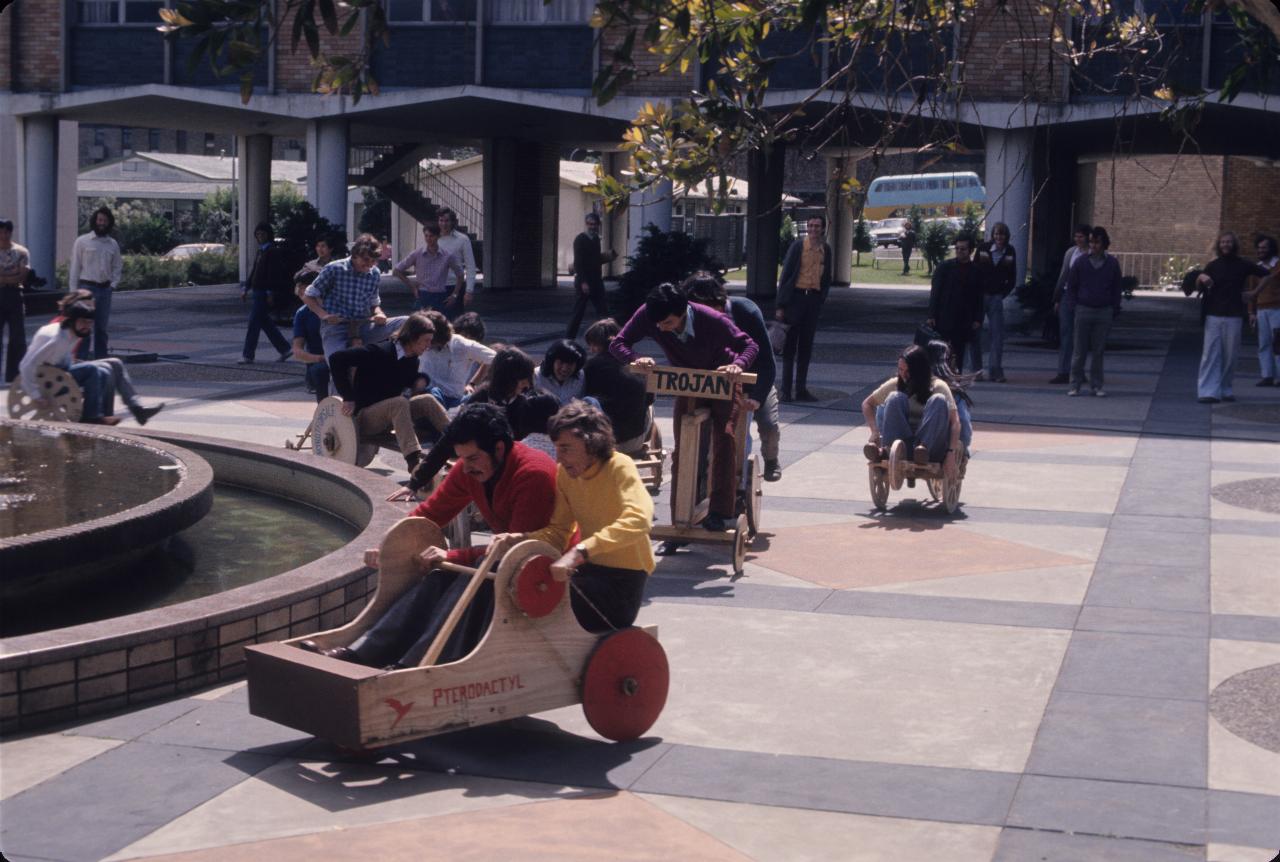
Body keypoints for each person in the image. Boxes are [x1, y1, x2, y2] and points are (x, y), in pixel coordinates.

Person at [310, 404, 559, 669]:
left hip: (543, 566)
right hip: (506, 556)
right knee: (439, 574)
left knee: (473, 574)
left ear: (499, 448)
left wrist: (452, 555)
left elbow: (517, 549)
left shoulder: (533, 475)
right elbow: (429, 513)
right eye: (461, 458)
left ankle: (412, 666)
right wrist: (389, 546)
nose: (465, 468)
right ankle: (362, 653)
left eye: (472, 459)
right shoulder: (471, 468)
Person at [493, 401, 655, 633]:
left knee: (544, 603)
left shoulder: (620, 466)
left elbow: (640, 519)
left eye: (565, 448)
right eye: (557, 449)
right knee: (517, 591)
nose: (558, 459)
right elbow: (559, 532)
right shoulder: (566, 475)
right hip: (590, 570)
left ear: (592, 442)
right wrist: (518, 539)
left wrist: (580, 552)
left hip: (624, 581)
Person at [611, 283, 758, 532]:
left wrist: (738, 365)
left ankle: (720, 513)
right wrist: (636, 359)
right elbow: (618, 343)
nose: (661, 328)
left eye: (667, 323)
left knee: (724, 438)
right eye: (657, 324)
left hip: (720, 379)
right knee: (684, 445)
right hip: (688, 382)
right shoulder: (650, 313)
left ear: (683, 312)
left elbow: (750, 345)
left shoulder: (710, 318)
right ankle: (681, 515)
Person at [682, 272, 783, 482]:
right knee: (719, 432)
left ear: (717, 302)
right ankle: (707, 476)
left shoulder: (746, 311)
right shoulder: (692, 319)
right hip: (721, 383)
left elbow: (766, 360)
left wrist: (757, 396)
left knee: (768, 423)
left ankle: (771, 459)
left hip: (754, 378)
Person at [405, 345, 538, 493]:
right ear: (509, 377)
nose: (527, 384)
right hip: (480, 469)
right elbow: (448, 440)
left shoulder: (524, 402)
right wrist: (415, 482)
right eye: (523, 378)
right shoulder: (482, 399)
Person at [326, 313, 443, 472]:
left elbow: (405, 379)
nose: (428, 346)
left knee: (427, 400)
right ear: (412, 337)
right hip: (365, 417)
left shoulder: (411, 359)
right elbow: (336, 359)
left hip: (389, 414)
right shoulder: (379, 351)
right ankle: (413, 461)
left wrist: (421, 379)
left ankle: (458, 441)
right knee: (399, 402)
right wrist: (348, 396)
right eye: (426, 341)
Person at [19, 300, 163, 426]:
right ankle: (91, 417)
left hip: (62, 371)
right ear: (72, 320)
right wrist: (36, 395)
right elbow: (25, 365)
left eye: (90, 323)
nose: (87, 326)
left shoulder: (72, 332)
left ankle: (127, 412)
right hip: (48, 381)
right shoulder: (54, 338)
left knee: (112, 364)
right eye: (83, 322)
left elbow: (62, 359)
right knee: (94, 370)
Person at [1194, 232, 1275, 403]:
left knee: (1230, 355)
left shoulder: (1243, 264)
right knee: (1210, 354)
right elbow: (1197, 285)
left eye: (1229, 242)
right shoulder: (1212, 265)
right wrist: (1201, 276)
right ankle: (1207, 391)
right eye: (1223, 242)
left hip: (1234, 315)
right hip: (1213, 314)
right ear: (1219, 245)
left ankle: (1225, 389)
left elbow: (1267, 274)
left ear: (1234, 244)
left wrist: (1254, 293)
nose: (1225, 245)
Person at [860, 344, 961, 481]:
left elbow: (955, 423)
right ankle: (887, 450)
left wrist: (951, 453)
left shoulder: (938, 386)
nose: (903, 374)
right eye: (901, 369)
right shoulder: (896, 383)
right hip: (903, 446)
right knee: (895, 397)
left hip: (929, 448)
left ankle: (922, 449)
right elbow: (867, 404)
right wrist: (874, 431)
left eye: (908, 371)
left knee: (938, 400)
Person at [303, 234, 400, 361]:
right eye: (365, 260)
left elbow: (374, 303)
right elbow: (308, 296)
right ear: (355, 255)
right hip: (337, 326)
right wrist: (324, 315)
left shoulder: (374, 273)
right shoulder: (334, 269)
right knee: (337, 363)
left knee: (408, 322)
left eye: (373, 261)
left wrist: (379, 314)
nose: (369, 265)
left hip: (364, 325)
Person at [775, 214, 833, 402]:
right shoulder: (798, 247)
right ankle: (785, 390)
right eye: (811, 225)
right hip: (795, 300)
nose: (814, 229)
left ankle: (801, 389)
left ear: (822, 229)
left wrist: (822, 297)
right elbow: (785, 276)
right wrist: (781, 305)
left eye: (817, 226)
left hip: (813, 301)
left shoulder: (826, 250)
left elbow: (827, 278)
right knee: (790, 347)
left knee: (806, 347)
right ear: (807, 228)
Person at [1064, 226, 1123, 397]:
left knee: (1098, 350)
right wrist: (1073, 305)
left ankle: (1096, 385)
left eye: (1097, 242)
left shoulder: (1112, 263)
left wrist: (1114, 307)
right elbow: (1072, 286)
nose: (1094, 245)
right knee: (1079, 350)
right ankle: (1074, 384)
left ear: (1104, 243)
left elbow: (1116, 287)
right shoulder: (1081, 262)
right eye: (1091, 242)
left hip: (1104, 310)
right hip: (1083, 308)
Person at [582, 318, 653, 454]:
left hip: (601, 443)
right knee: (649, 406)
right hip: (635, 441)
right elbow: (649, 399)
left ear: (599, 344)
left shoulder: (590, 366)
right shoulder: (637, 365)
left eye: (593, 345)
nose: (591, 350)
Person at [69, 206, 123, 360]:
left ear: (109, 223)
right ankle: (81, 361)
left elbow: (118, 266)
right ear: (95, 221)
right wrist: (74, 293)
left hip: (105, 290)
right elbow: (75, 267)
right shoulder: (82, 241)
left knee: (101, 329)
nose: (102, 223)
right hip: (86, 289)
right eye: (100, 220)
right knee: (84, 327)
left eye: (105, 221)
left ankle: (101, 362)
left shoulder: (112, 244)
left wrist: (113, 285)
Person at [238, 222, 293, 365]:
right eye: (257, 234)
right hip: (257, 291)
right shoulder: (261, 251)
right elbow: (254, 272)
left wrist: (270, 292)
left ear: (268, 235)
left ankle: (248, 355)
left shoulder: (272, 251)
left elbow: (273, 274)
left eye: (262, 234)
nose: (259, 237)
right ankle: (285, 349)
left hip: (264, 292)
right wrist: (245, 288)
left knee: (254, 323)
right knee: (265, 323)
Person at [927, 233, 983, 372]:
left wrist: (978, 318)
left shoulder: (976, 271)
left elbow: (979, 297)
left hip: (964, 320)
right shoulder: (945, 267)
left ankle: (955, 383)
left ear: (970, 251)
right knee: (940, 353)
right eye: (957, 248)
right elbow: (935, 293)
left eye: (963, 249)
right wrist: (931, 315)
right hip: (944, 317)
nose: (959, 251)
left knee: (958, 354)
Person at [417, 310, 495, 409]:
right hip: (428, 397)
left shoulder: (461, 344)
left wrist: (472, 383)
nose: (427, 345)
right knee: (433, 394)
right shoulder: (418, 342)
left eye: (430, 341)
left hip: (455, 400)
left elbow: (493, 357)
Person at [972, 222, 1016, 382]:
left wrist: (1003, 293)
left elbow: (1012, 277)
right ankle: (976, 371)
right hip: (979, 296)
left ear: (1006, 236)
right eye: (997, 234)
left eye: (1002, 234)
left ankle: (996, 371)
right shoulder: (983, 249)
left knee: (997, 335)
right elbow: (974, 271)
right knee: (975, 334)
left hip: (996, 297)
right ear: (993, 235)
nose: (999, 237)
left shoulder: (1010, 252)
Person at [1050, 224, 1091, 384]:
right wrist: (1057, 298)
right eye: (1076, 236)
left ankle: (1079, 371)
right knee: (1066, 334)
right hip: (1067, 295)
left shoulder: (1091, 254)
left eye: (1081, 236)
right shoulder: (1070, 253)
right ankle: (1063, 371)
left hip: (1084, 297)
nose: (1078, 239)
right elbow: (1063, 275)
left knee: (1081, 336)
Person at [566, 211, 617, 339]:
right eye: (590, 224)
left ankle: (608, 337)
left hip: (596, 280)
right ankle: (569, 338)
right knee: (578, 312)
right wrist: (583, 282)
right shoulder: (580, 239)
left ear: (598, 225)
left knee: (603, 311)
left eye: (594, 224)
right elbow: (578, 262)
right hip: (584, 281)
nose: (592, 226)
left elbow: (595, 260)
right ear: (586, 224)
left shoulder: (595, 239)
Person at [393, 222, 465, 314]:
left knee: (439, 326)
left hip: (440, 296)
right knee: (421, 326)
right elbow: (397, 270)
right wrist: (412, 286)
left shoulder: (447, 256)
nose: (428, 239)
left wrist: (454, 294)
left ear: (438, 236)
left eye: (431, 236)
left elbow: (460, 275)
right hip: (423, 294)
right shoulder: (417, 254)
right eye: (426, 236)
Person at [925, 340, 974, 453]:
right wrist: (962, 450)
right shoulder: (952, 391)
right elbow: (963, 424)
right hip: (943, 447)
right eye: (951, 358)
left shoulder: (914, 382)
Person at [1246, 234, 1280, 386]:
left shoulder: (1278, 266)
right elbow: (1252, 291)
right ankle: (1267, 375)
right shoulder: (1256, 268)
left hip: (1277, 309)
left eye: (1264, 247)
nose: (1260, 250)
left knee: (1278, 343)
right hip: (1261, 310)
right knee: (1264, 343)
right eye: (1259, 248)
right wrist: (1251, 312)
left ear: (1271, 249)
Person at [0, 218, 31, 383]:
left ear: (11, 232)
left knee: (17, 337)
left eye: (7, 231)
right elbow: (16, 275)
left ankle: (14, 375)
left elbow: (23, 276)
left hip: (14, 296)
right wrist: (12, 275)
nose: (3, 235)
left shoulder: (21, 252)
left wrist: (4, 277)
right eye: (1, 231)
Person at [291, 283, 329, 402]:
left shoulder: (335, 306)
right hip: (320, 362)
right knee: (320, 371)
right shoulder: (303, 313)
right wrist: (321, 358)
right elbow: (297, 351)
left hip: (341, 356)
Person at [436, 207, 477, 307]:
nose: (444, 224)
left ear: (453, 222)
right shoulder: (433, 238)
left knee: (454, 321)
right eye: (441, 220)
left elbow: (470, 266)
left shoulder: (462, 239)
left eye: (447, 221)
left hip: (454, 287)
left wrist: (469, 291)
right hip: (434, 287)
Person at [535, 339, 587, 405]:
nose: (564, 369)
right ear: (552, 362)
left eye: (570, 364)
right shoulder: (536, 376)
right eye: (561, 363)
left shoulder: (581, 376)